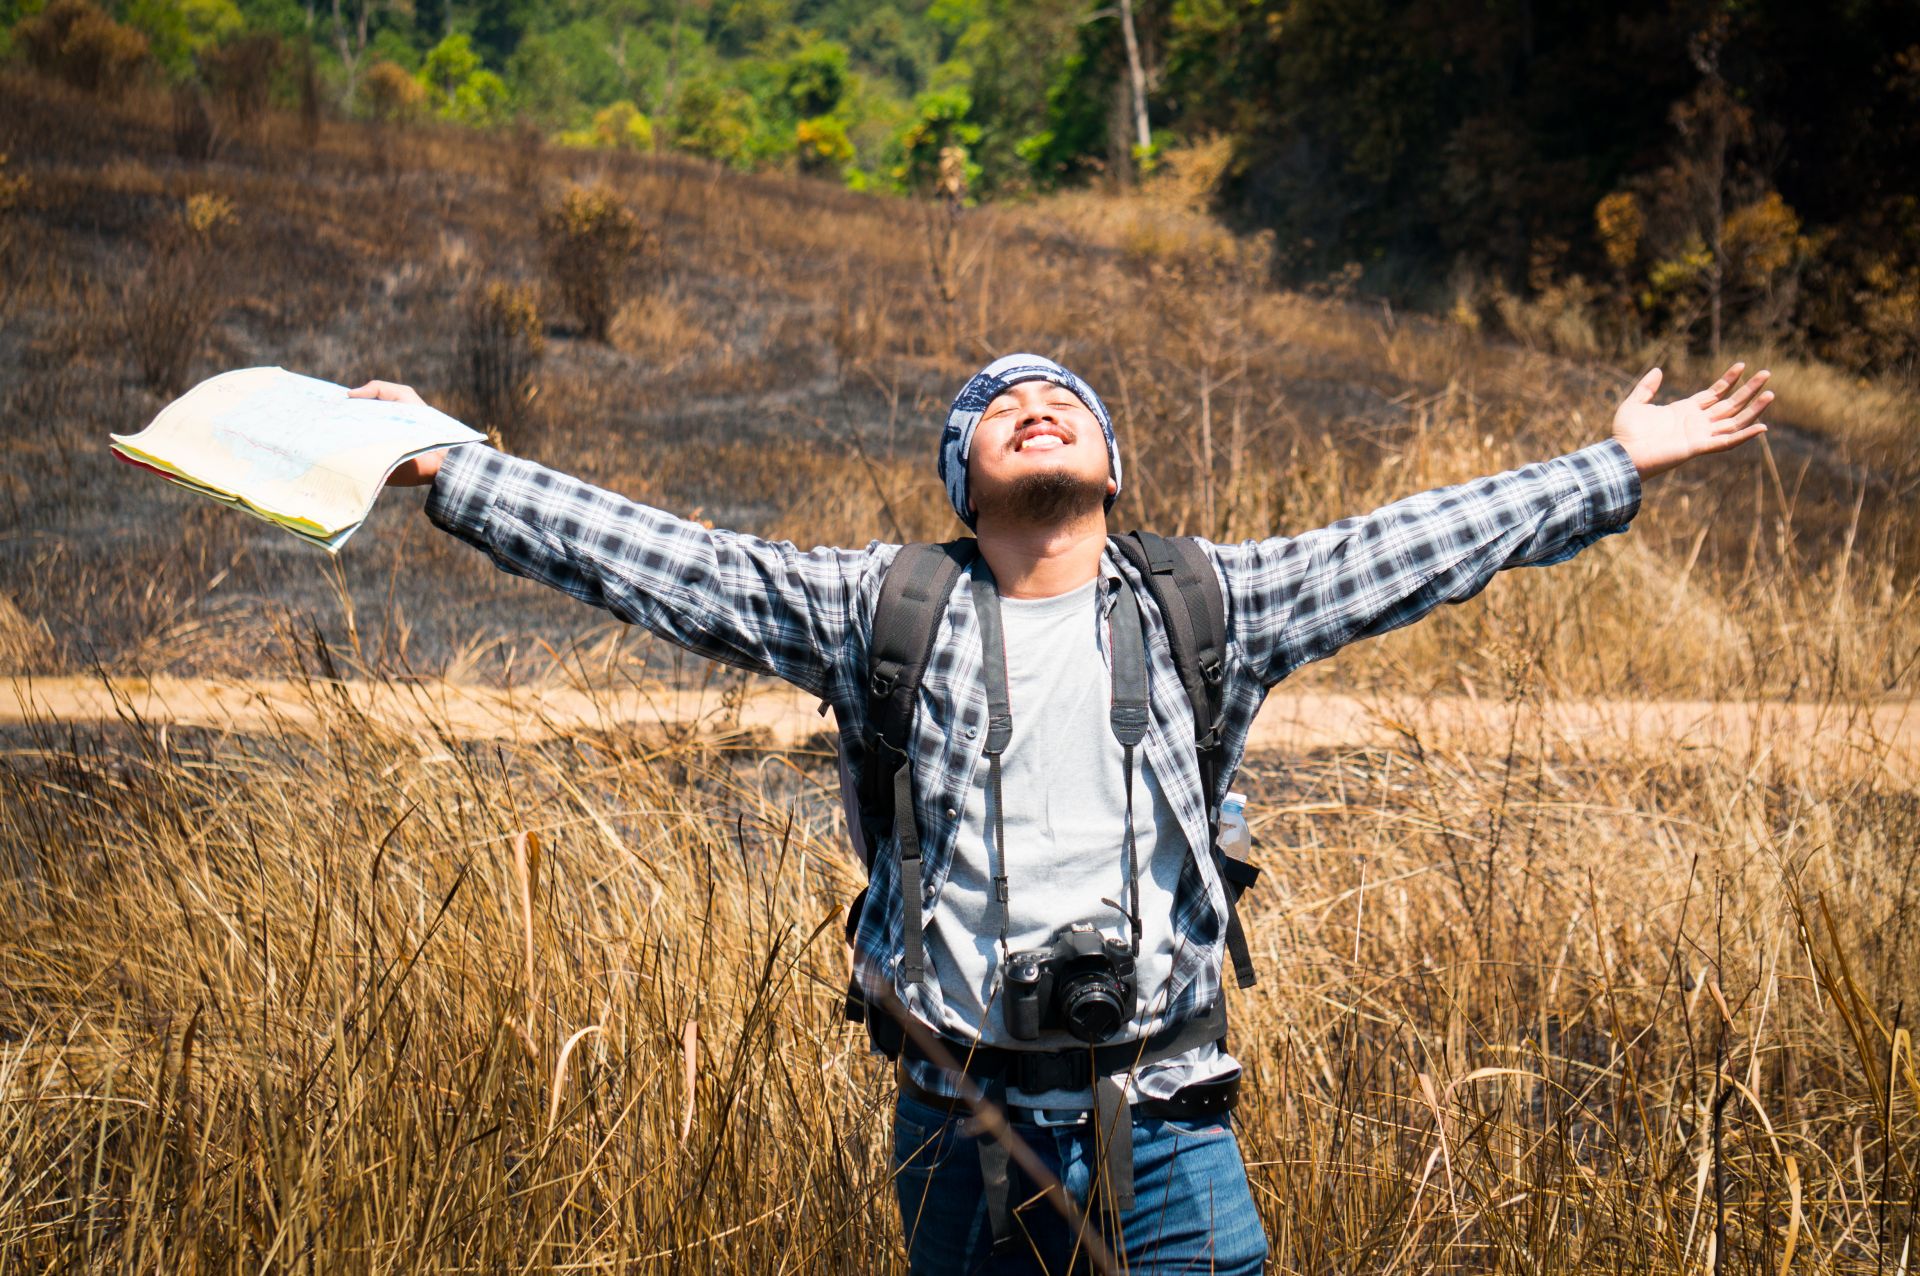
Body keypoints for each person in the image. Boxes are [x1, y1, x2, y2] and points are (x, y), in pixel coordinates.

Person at [358, 352, 1773, 1274]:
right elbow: (666, 561)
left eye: (1071, 401)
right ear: (962, 482)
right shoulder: (880, 614)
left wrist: (1618, 464)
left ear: (1110, 466)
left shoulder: (1205, 603)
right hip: (957, 1121)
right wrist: (453, 470)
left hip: (1168, 1125)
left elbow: (1422, 540)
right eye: (997, 407)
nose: (1038, 405)